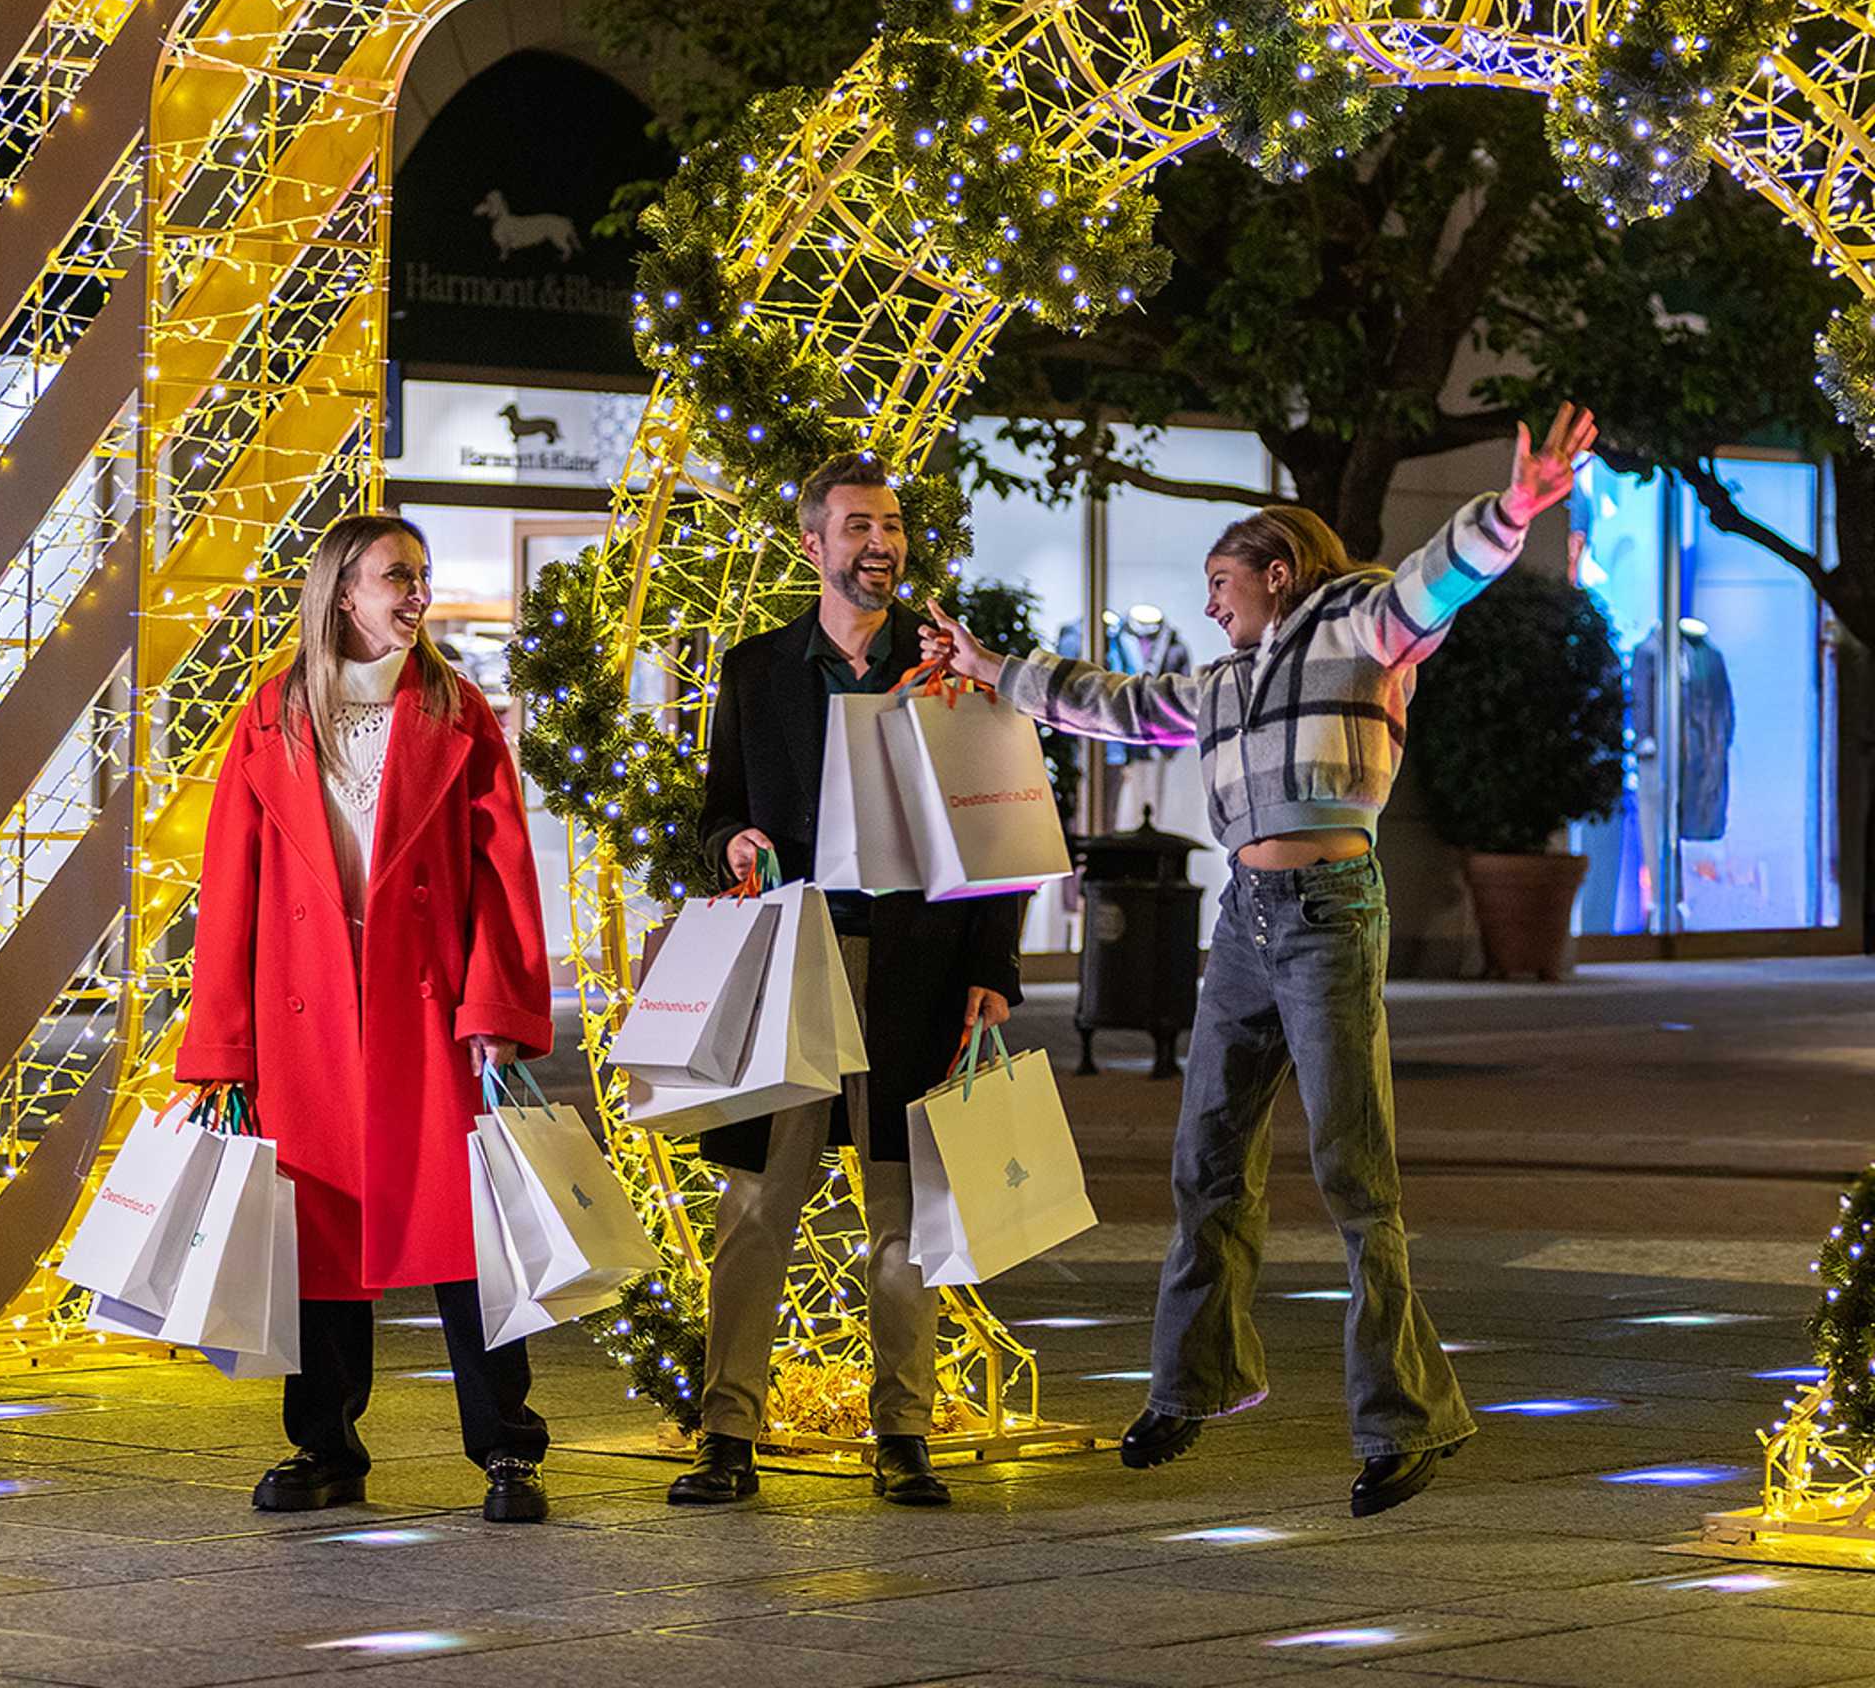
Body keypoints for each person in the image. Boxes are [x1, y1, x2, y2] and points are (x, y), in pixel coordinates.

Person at [923, 404, 1597, 1518]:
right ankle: (1192, 1386)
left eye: (1219, 582)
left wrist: (1514, 509)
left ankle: (1407, 1422)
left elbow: (1435, 582)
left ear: (1278, 573)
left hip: (1331, 909)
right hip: (1246, 919)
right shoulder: (1225, 683)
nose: (1207, 603)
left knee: (1354, 1173)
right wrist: (993, 668)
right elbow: (1118, 706)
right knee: (1206, 1161)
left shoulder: (1359, 627)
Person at [177, 513, 556, 1523]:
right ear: (344, 590)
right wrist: (225, 1043)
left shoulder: (459, 712)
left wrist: (496, 1004)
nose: (418, 593)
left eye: (422, 575)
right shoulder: (271, 717)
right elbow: (230, 889)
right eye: (399, 575)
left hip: (426, 1008)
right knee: (319, 1237)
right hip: (303, 1015)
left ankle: (507, 1448)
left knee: (468, 1233)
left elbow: (504, 873)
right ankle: (326, 1446)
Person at [670, 451, 1024, 1508]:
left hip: (916, 966)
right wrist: (731, 844)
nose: (881, 543)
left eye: (892, 525)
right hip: (792, 959)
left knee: (904, 1206)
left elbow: (995, 830)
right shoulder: (756, 669)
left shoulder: (950, 668)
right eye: (859, 525)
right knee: (754, 1206)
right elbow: (716, 813)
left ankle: (903, 1434)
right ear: (813, 542)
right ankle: (727, 1435)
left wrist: (994, 968)